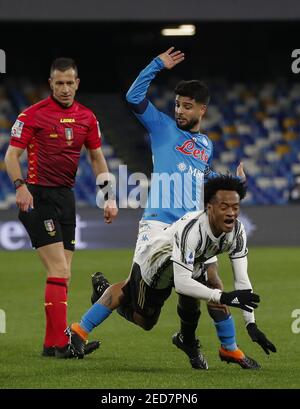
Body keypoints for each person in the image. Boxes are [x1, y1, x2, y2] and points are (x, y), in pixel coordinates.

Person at [90, 47, 249, 370]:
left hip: (194, 225)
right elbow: (134, 97)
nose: (179, 110)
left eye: (187, 106)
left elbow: (202, 175)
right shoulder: (162, 126)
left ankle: (228, 348)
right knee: (144, 314)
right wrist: (155, 65)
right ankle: (108, 297)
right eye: (177, 104)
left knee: (213, 284)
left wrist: (229, 181)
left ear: (202, 110)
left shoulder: (205, 145)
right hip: (161, 228)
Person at [68, 175, 276, 369]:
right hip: (156, 263)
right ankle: (96, 303)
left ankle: (228, 348)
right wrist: (223, 296)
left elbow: (242, 281)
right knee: (145, 320)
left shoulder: (237, 231)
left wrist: (251, 325)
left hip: (191, 259)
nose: (231, 213)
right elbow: (184, 282)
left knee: (212, 284)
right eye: (224, 207)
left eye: (235, 207)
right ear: (209, 208)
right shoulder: (192, 231)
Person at [4, 57, 118, 358]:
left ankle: (52, 343)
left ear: (77, 83)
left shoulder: (87, 118)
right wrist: (20, 186)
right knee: (58, 268)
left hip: (65, 198)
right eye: (59, 83)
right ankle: (60, 344)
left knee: (64, 273)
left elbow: (96, 158)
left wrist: (109, 196)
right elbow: (11, 157)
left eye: (70, 83)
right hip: (37, 197)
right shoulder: (32, 115)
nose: (65, 88)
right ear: (51, 84)